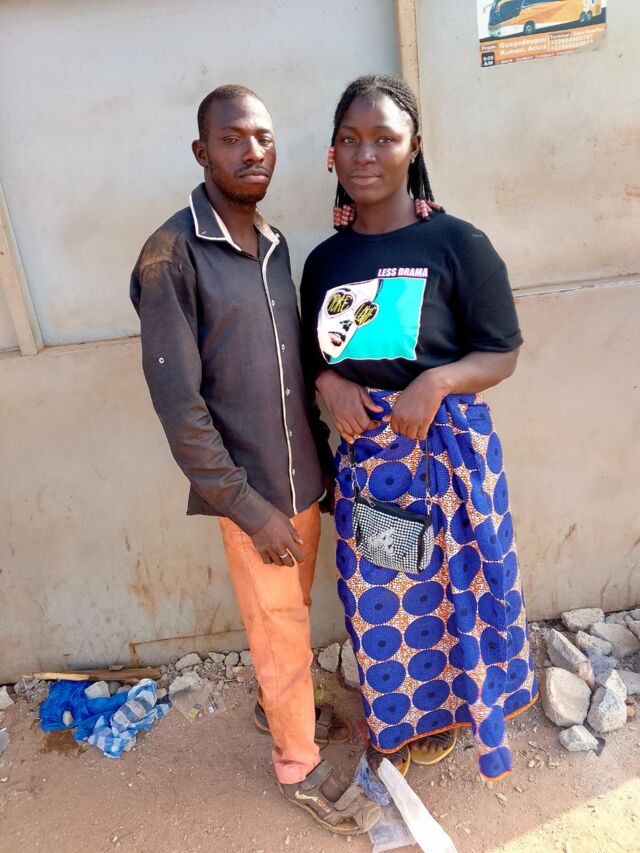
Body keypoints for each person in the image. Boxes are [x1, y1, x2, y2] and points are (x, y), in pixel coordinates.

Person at [130, 84, 380, 834]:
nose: (252, 152)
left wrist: (322, 463)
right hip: (252, 498)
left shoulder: (274, 245)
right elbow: (180, 408)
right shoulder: (171, 256)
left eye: (264, 138)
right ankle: (298, 765)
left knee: (289, 620)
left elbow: (292, 367)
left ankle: (280, 706)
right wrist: (247, 508)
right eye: (233, 139)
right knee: (279, 627)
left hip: (302, 480)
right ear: (202, 151)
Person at [301, 75, 539, 782]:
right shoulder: (324, 262)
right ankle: (406, 718)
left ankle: (463, 714)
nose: (365, 154)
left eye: (384, 138)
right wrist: (328, 381)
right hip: (376, 468)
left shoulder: (458, 244)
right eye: (350, 139)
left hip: (448, 459)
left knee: (459, 585)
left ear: (414, 148)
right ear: (333, 153)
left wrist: (435, 381)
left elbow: (502, 352)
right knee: (391, 593)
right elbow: (311, 355)